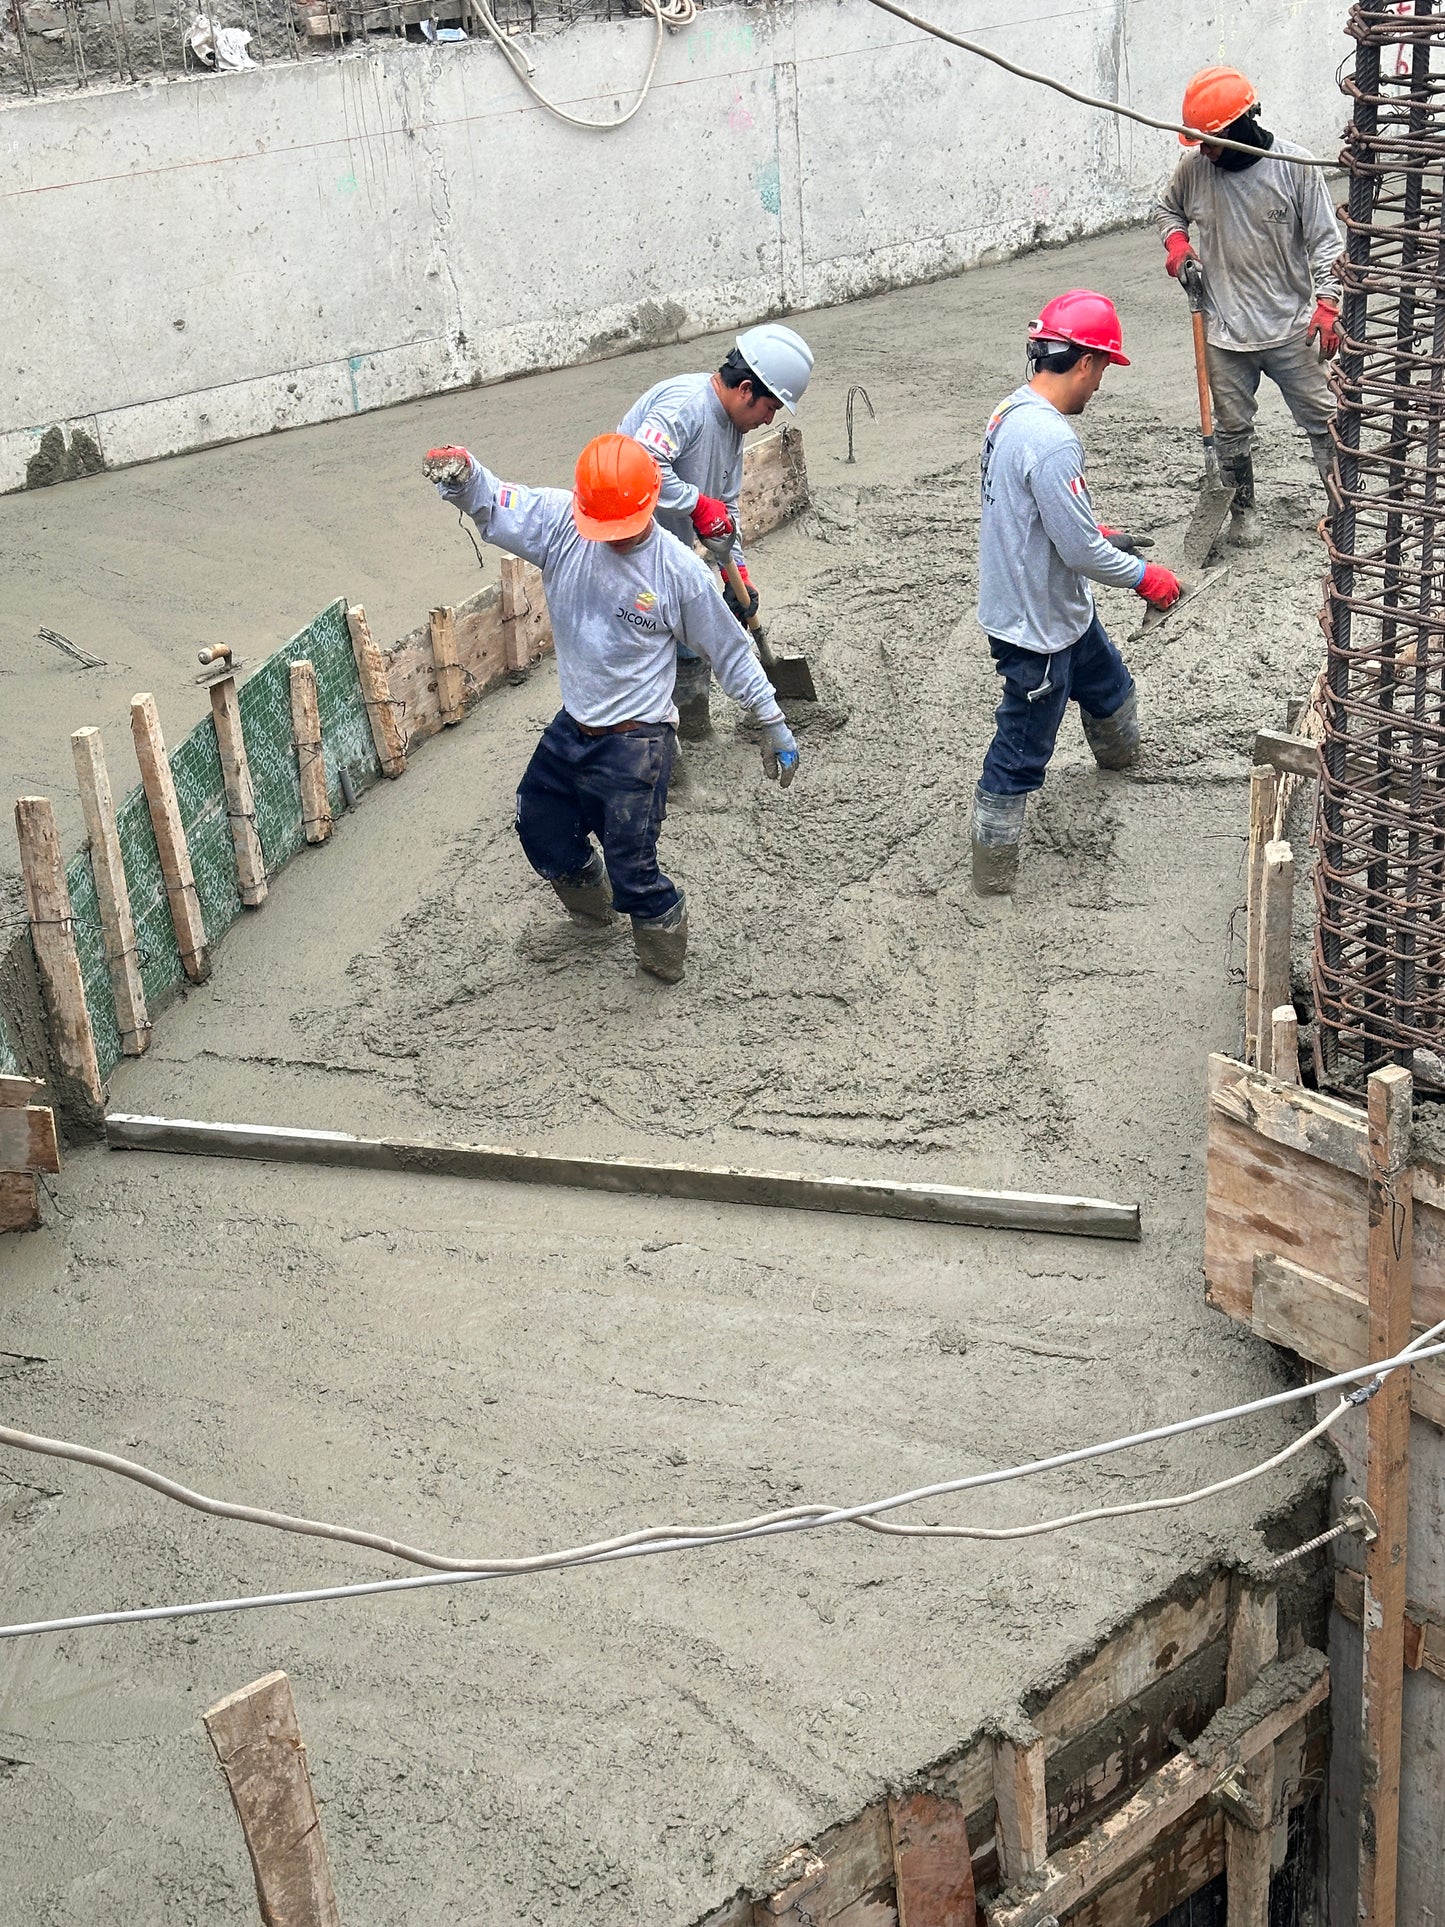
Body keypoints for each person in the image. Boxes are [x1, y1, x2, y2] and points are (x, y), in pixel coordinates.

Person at [422, 433, 800, 983]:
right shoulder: (560, 521)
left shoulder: (680, 574)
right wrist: (464, 477)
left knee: (634, 866)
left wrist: (773, 723)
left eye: (625, 529)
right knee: (539, 825)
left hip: (637, 742)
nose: (615, 540)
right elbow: (497, 500)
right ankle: (590, 911)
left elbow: (730, 650)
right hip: (574, 724)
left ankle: (662, 949)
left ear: (650, 505)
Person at [970, 291, 1182, 896]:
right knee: (1021, 748)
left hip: (1052, 606)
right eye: (1104, 372)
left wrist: (1090, 527)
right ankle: (992, 872)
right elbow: (1082, 554)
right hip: (1035, 626)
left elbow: (1030, 508)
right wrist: (1146, 576)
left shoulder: (1008, 412)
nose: (1099, 386)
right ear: (1085, 362)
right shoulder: (1055, 439)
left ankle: (1119, 759)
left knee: (1110, 685)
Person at [1155, 65, 1343, 548]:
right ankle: (1243, 511)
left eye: (1212, 140)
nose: (1203, 150)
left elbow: (1326, 242)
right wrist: (1178, 246)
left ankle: (1342, 507)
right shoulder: (1195, 170)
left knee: (1326, 420)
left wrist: (1327, 301)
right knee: (1232, 429)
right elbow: (1166, 209)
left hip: (1291, 327)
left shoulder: (1294, 167)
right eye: (1198, 141)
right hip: (1223, 329)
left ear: (1244, 124)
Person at [618, 323, 814, 736]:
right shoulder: (686, 406)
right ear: (745, 389)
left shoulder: (731, 428)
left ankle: (691, 729)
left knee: (696, 631)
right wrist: (694, 502)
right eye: (770, 407)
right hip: (622, 548)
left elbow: (724, 509)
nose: (768, 419)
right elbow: (639, 464)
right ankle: (646, 742)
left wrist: (736, 570)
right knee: (646, 640)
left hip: (666, 548)